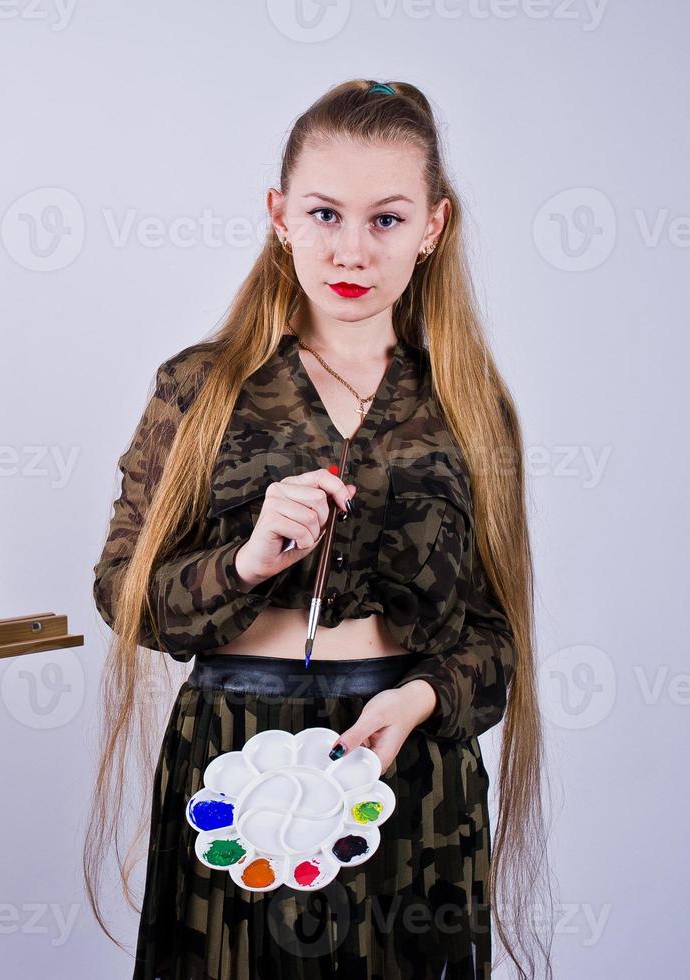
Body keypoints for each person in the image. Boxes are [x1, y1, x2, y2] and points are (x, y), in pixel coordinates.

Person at [84, 80, 553, 979]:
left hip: (406, 768)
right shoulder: (202, 385)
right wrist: (248, 562)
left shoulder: (467, 403)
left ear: (432, 228)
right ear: (279, 215)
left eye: (385, 219)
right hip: (233, 753)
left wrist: (417, 701)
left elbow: (495, 639)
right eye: (324, 212)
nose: (350, 248)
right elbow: (125, 599)